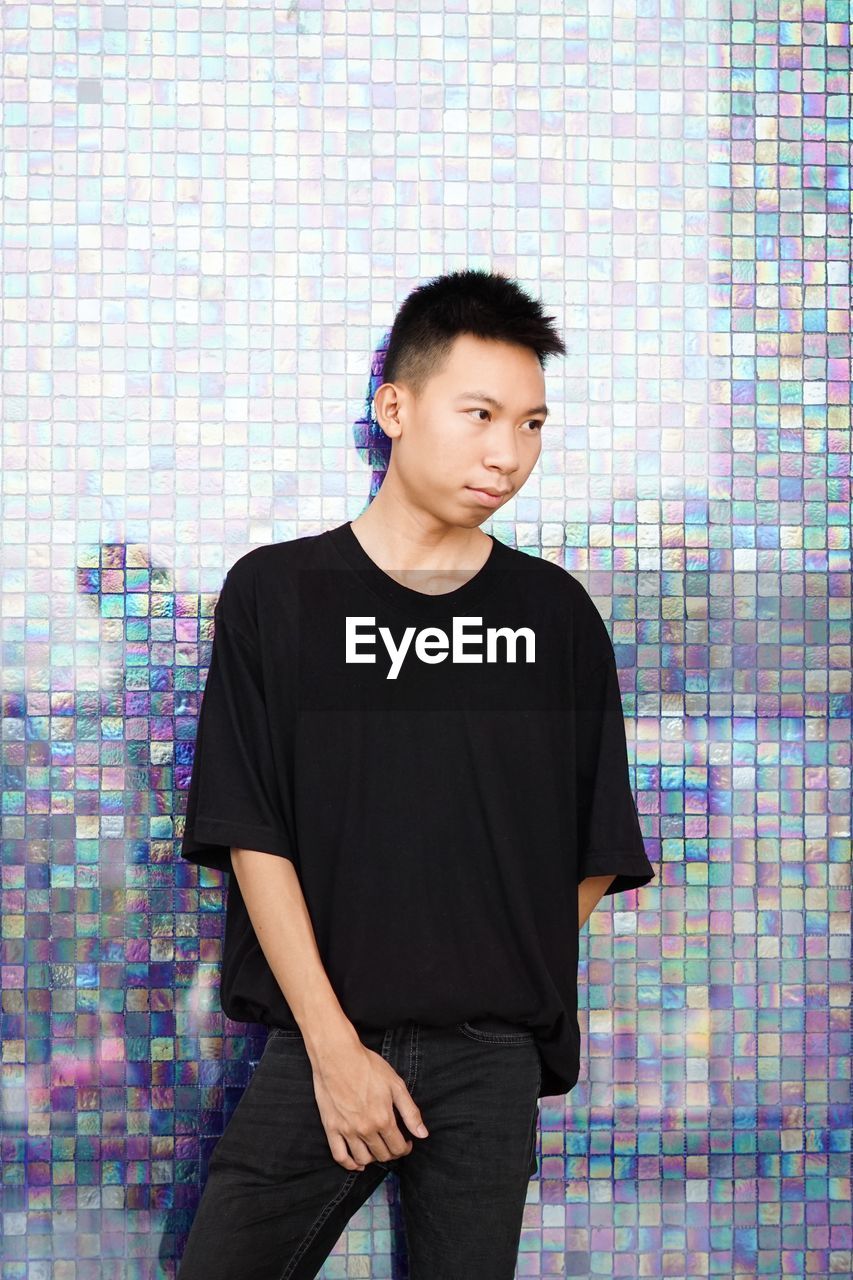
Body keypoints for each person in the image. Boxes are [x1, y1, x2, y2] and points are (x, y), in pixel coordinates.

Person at [175, 268, 655, 1280]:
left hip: (490, 1064)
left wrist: (484, 984)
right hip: (318, 1048)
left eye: (530, 423)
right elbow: (249, 828)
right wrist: (337, 1046)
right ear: (393, 405)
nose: (505, 451)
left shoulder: (555, 616)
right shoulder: (280, 593)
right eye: (478, 412)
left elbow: (594, 846)